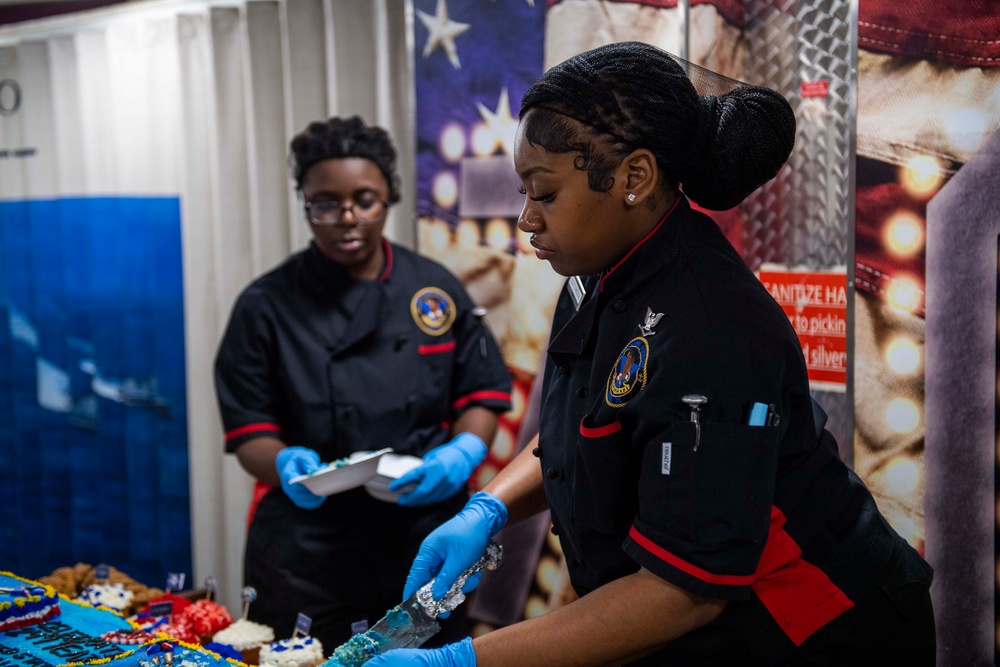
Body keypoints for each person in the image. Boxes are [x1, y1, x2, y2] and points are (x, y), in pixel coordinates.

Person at [350, 42, 935, 666]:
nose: (525, 219)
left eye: (544, 194)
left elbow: (685, 591)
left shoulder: (712, 328)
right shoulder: (593, 274)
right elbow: (584, 427)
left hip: (817, 630)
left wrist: (463, 661)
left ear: (634, 178)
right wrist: (490, 506)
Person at [214, 115, 512, 652]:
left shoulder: (435, 290)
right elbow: (247, 429)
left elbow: (480, 394)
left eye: (365, 200)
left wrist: (463, 455)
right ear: (305, 204)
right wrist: (284, 465)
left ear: (390, 197)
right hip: (308, 548)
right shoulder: (265, 306)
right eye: (325, 203)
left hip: (422, 530)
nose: (346, 218)